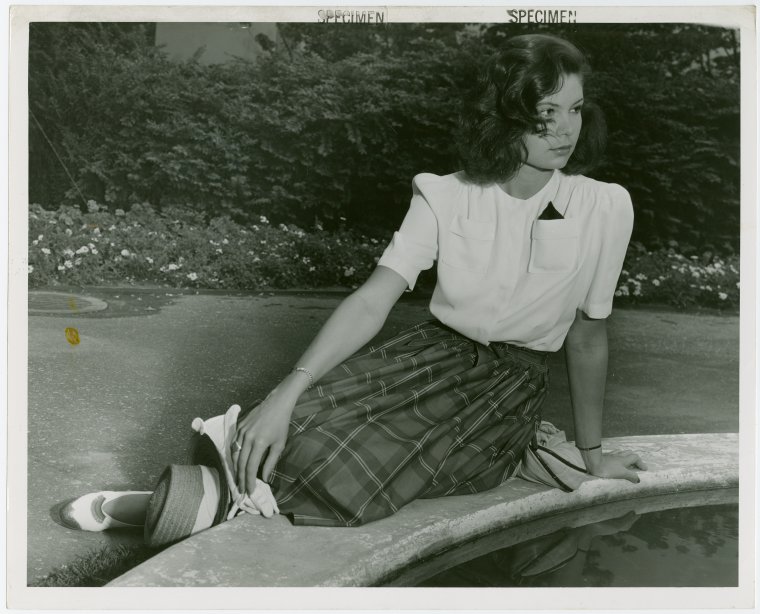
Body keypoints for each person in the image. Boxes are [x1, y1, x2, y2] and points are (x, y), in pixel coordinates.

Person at [58, 33, 647, 543]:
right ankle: (203, 500)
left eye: (574, 109)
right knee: (291, 426)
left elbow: (589, 337)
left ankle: (174, 506)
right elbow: (372, 298)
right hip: (427, 357)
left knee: (345, 466)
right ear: (504, 117)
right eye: (546, 113)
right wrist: (286, 392)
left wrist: (592, 457)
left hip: (507, 389)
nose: (566, 129)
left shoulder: (604, 206)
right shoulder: (445, 194)